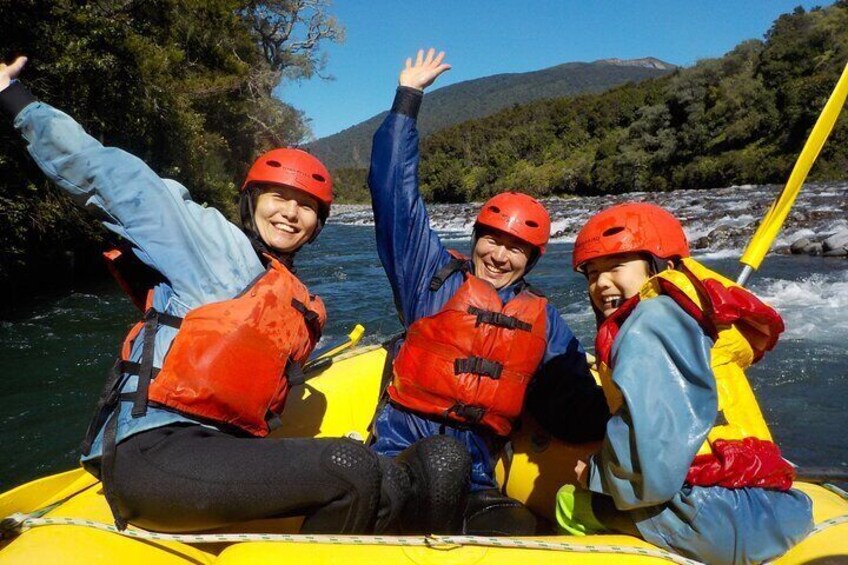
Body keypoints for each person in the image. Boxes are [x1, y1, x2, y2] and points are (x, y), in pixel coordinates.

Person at [0, 55, 408, 534]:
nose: (290, 213)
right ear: (250, 202)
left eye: (306, 207)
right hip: (154, 453)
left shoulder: (299, 302)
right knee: (349, 467)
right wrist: (14, 98)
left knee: (395, 478)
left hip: (222, 454)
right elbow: (116, 177)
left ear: (317, 225)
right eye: (278, 197)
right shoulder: (210, 245)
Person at [367, 49, 610, 535]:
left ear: (532, 260)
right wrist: (408, 99)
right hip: (395, 459)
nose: (500, 256)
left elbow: (579, 409)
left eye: (516, 249)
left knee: (518, 527)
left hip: (477, 479)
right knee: (437, 461)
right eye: (493, 240)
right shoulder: (429, 274)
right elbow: (394, 193)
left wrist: (621, 335)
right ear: (475, 239)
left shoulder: (546, 321)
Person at [558, 202, 814, 564]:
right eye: (591, 273)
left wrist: (595, 473)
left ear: (659, 265)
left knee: (569, 504)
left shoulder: (650, 319)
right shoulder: (702, 316)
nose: (600, 283)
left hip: (706, 517)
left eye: (615, 266)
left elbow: (652, 473)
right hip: (777, 509)